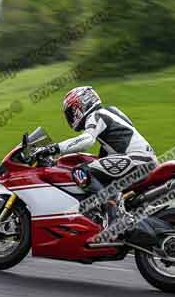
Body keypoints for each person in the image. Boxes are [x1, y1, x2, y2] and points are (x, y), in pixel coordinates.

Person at [32, 86, 157, 233]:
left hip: (137, 159)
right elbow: (109, 151)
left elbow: (86, 140)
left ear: (81, 105)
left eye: (71, 112)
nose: (70, 117)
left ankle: (113, 218)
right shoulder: (112, 112)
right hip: (143, 160)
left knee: (81, 171)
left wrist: (53, 149)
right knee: (95, 171)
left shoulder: (97, 115)